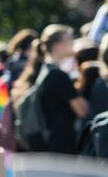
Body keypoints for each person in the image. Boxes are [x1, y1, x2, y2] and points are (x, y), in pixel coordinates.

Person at [11, 24, 88, 154]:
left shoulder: (44, 70)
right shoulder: (58, 75)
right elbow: (82, 111)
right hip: (61, 148)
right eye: (69, 40)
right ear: (58, 45)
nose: (73, 44)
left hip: (49, 146)